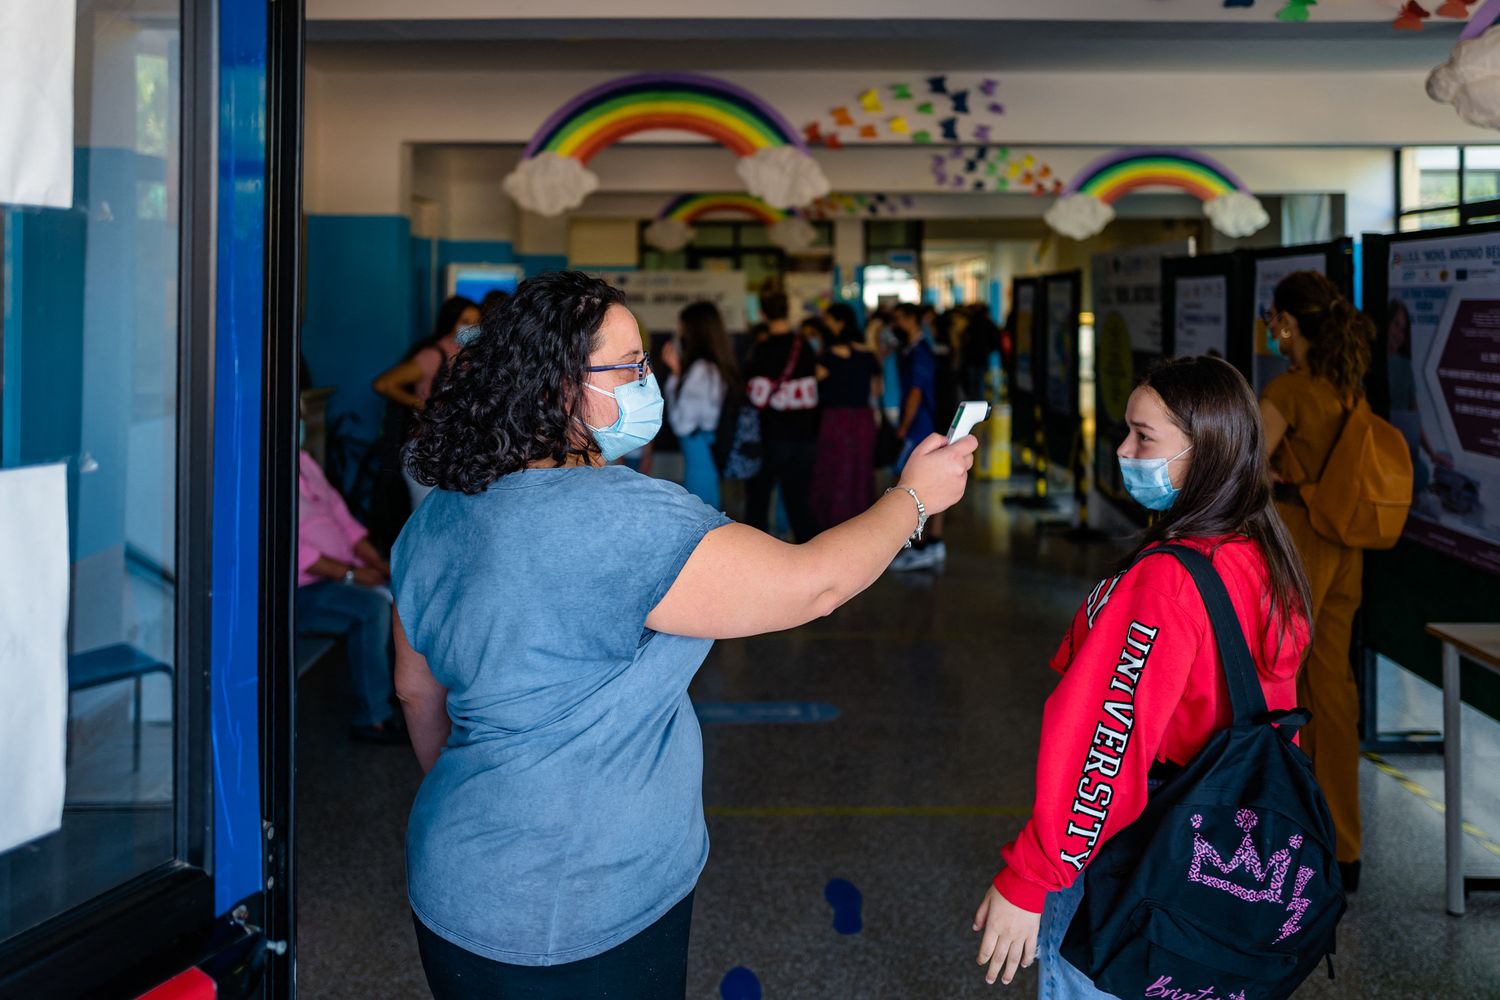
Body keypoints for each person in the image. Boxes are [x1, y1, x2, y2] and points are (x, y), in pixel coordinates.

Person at [391, 272, 976, 999]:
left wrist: (492, 814)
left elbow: (416, 693)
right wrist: (914, 498)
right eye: (631, 366)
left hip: (453, 876)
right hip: (579, 908)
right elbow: (813, 584)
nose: (651, 379)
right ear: (554, 388)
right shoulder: (624, 518)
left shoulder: (438, 515)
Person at [972, 356, 1311, 993]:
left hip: (1139, 863)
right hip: (1225, 857)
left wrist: (1030, 878)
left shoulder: (1168, 579)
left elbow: (1105, 744)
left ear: (1205, 451)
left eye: (1143, 436)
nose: (1125, 450)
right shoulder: (1258, 550)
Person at [1259, 271, 1376, 892]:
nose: (1270, 327)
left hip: (1297, 543)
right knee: (1333, 689)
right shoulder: (1347, 387)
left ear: (1287, 323)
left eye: (1273, 317)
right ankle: (1343, 844)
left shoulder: (1289, 389)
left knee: (1282, 684)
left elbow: (1247, 466)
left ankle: (1290, 835)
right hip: (1345, 547)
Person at [296, 439, 406, 745]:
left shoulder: (304, 461)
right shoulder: (263, 471)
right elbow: (294, 550)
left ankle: (402, 690)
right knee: (370, 609)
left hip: (345, 572)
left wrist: (381, 564)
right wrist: (353, 575)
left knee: (406, 592)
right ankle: (373, 718)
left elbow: (343, 520)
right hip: (303, 589)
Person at [373, 296, 482, 511]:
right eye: (465, 321)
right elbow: (384, 383)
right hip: (428, 447)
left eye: (477, 322)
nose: (473, 328)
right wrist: (422, 404)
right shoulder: (434, 355)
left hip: (458, 448)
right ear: (450, 323)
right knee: (426, 514)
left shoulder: (472, 356)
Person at [742, 291, 822, 542]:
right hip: (803, 436)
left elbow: (753, 395)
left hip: (769, 437)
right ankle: (809, 563)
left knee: (758, 503)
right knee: (800, 504)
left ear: (762, 314)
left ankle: (757, 562)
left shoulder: (762, 350)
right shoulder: (804, 346)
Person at [810, 304, 882, 530]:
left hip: (836, 419)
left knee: (833, 471)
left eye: (829, 320)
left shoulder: (828, 356)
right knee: (860, 472)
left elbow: (814, 385)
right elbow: (877, 390)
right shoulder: (868, 355)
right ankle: (860, 523)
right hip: (862, 419)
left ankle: (833, 524)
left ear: (839, 322)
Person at [662, 301, 738, 509]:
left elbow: (682, 423)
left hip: (698, 444)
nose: (679, 331)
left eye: (682, 325)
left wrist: (676, 374)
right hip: (707, 442)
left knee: (699, 505)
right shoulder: (713, 366)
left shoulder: (700, 369)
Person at [889, 302, 947, 570]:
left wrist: (903, 427)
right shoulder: (912, 349)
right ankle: (930, 543)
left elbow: (916, 392)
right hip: (921, 424)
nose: (895, 325)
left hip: (920, 427)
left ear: (912, 320)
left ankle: (924, 544)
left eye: (899, 319)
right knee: (919, 482)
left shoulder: (920, 352)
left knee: (911, 483)